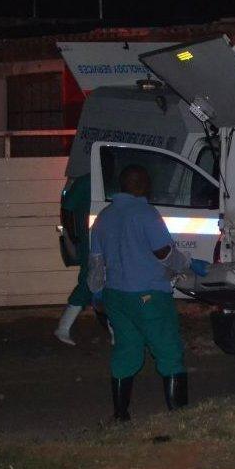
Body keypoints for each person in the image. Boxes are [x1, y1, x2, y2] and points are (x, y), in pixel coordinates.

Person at [87, 165, 209, 421]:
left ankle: (120, 416)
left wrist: (97, 295)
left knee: (126, 351)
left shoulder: (103, 217)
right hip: (149, 296)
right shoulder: (146, 213)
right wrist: (189, 263)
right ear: (142, 185)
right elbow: (164, 253)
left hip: (116, 297)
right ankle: (180, 417)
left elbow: (96, 263)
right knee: (168, 351)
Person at [54, 174, 93, 346]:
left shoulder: (105, 179)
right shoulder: (86, 181)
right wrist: (72, 234)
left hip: (103, 238)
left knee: (109, 284)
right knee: (88, 280)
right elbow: (67, 208)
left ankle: (117, 333)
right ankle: (63, 327)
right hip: (89, 240)